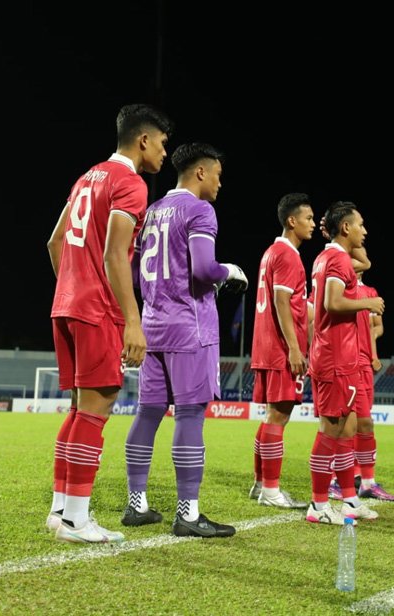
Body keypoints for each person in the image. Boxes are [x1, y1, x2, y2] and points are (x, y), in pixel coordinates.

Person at [45, 103, 173, 544]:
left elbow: (55, 241)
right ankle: (77, 520)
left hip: (67, 304)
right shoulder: (131, 184)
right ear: (143, 140)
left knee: (81, 409)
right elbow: (116, 253)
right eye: (161, 142)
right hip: (96, 309)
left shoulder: (89, 176)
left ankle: (61, 510)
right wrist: (132, 321)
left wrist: (73, 286)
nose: (162, 151)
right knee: (96, 408)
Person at [121, 142, 248, 538]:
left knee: (148, 413)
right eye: (218, 175)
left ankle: (136, 504)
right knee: (191, 415)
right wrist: (231, 271)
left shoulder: (153, 211)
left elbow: (137, 268)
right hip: (190, 328)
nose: (219, 184)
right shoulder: (199, 209)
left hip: (153, 325)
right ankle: (188, 514)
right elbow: (204, 270)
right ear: (200, 173)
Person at [305, 201, 385, 525]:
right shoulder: (336, 258)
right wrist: (369, 302)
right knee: (331, 429)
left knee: (348, 427)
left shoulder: (332, 256)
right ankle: (318, 504)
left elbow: (364, 259)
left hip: (344, 357)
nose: (365, 231)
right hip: (335, 357)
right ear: (346, 228)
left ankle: (349, 500)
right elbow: (332, 302)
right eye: (360, 225)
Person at [246, 193, 317, 509]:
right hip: (280, 348)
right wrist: (294, 348)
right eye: (309, 219)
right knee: (279, 415)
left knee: (271, 416)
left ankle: (261, 483)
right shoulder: (288, 255)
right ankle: (271, 490)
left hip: (265, 345)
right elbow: (281, 302)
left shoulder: (271, 252)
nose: (313, 224)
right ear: (292, 221)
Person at [328, 266, 394, 501]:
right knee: (342, 424)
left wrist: (372, 351)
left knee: (365, 424)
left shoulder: (370, 291)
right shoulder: (335, 285)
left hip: (364, 363)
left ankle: (367, 482)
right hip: (343, 361)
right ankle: (335, 479)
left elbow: (376, 326)